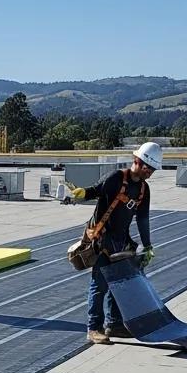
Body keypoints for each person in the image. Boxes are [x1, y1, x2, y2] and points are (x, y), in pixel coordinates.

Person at [71, 142, 161, 343]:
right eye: (148, 168)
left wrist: (147, 245)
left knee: (118, 286)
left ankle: (114, 325)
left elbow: (143, 219)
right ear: (137, 161)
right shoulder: (116, 178)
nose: (150, 173)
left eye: (153, 169)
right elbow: (95, 191)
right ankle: (93, 328)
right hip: (102, 240)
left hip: (121, 242)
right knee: (99, 285)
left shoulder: (143, 190)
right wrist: (82, 193)